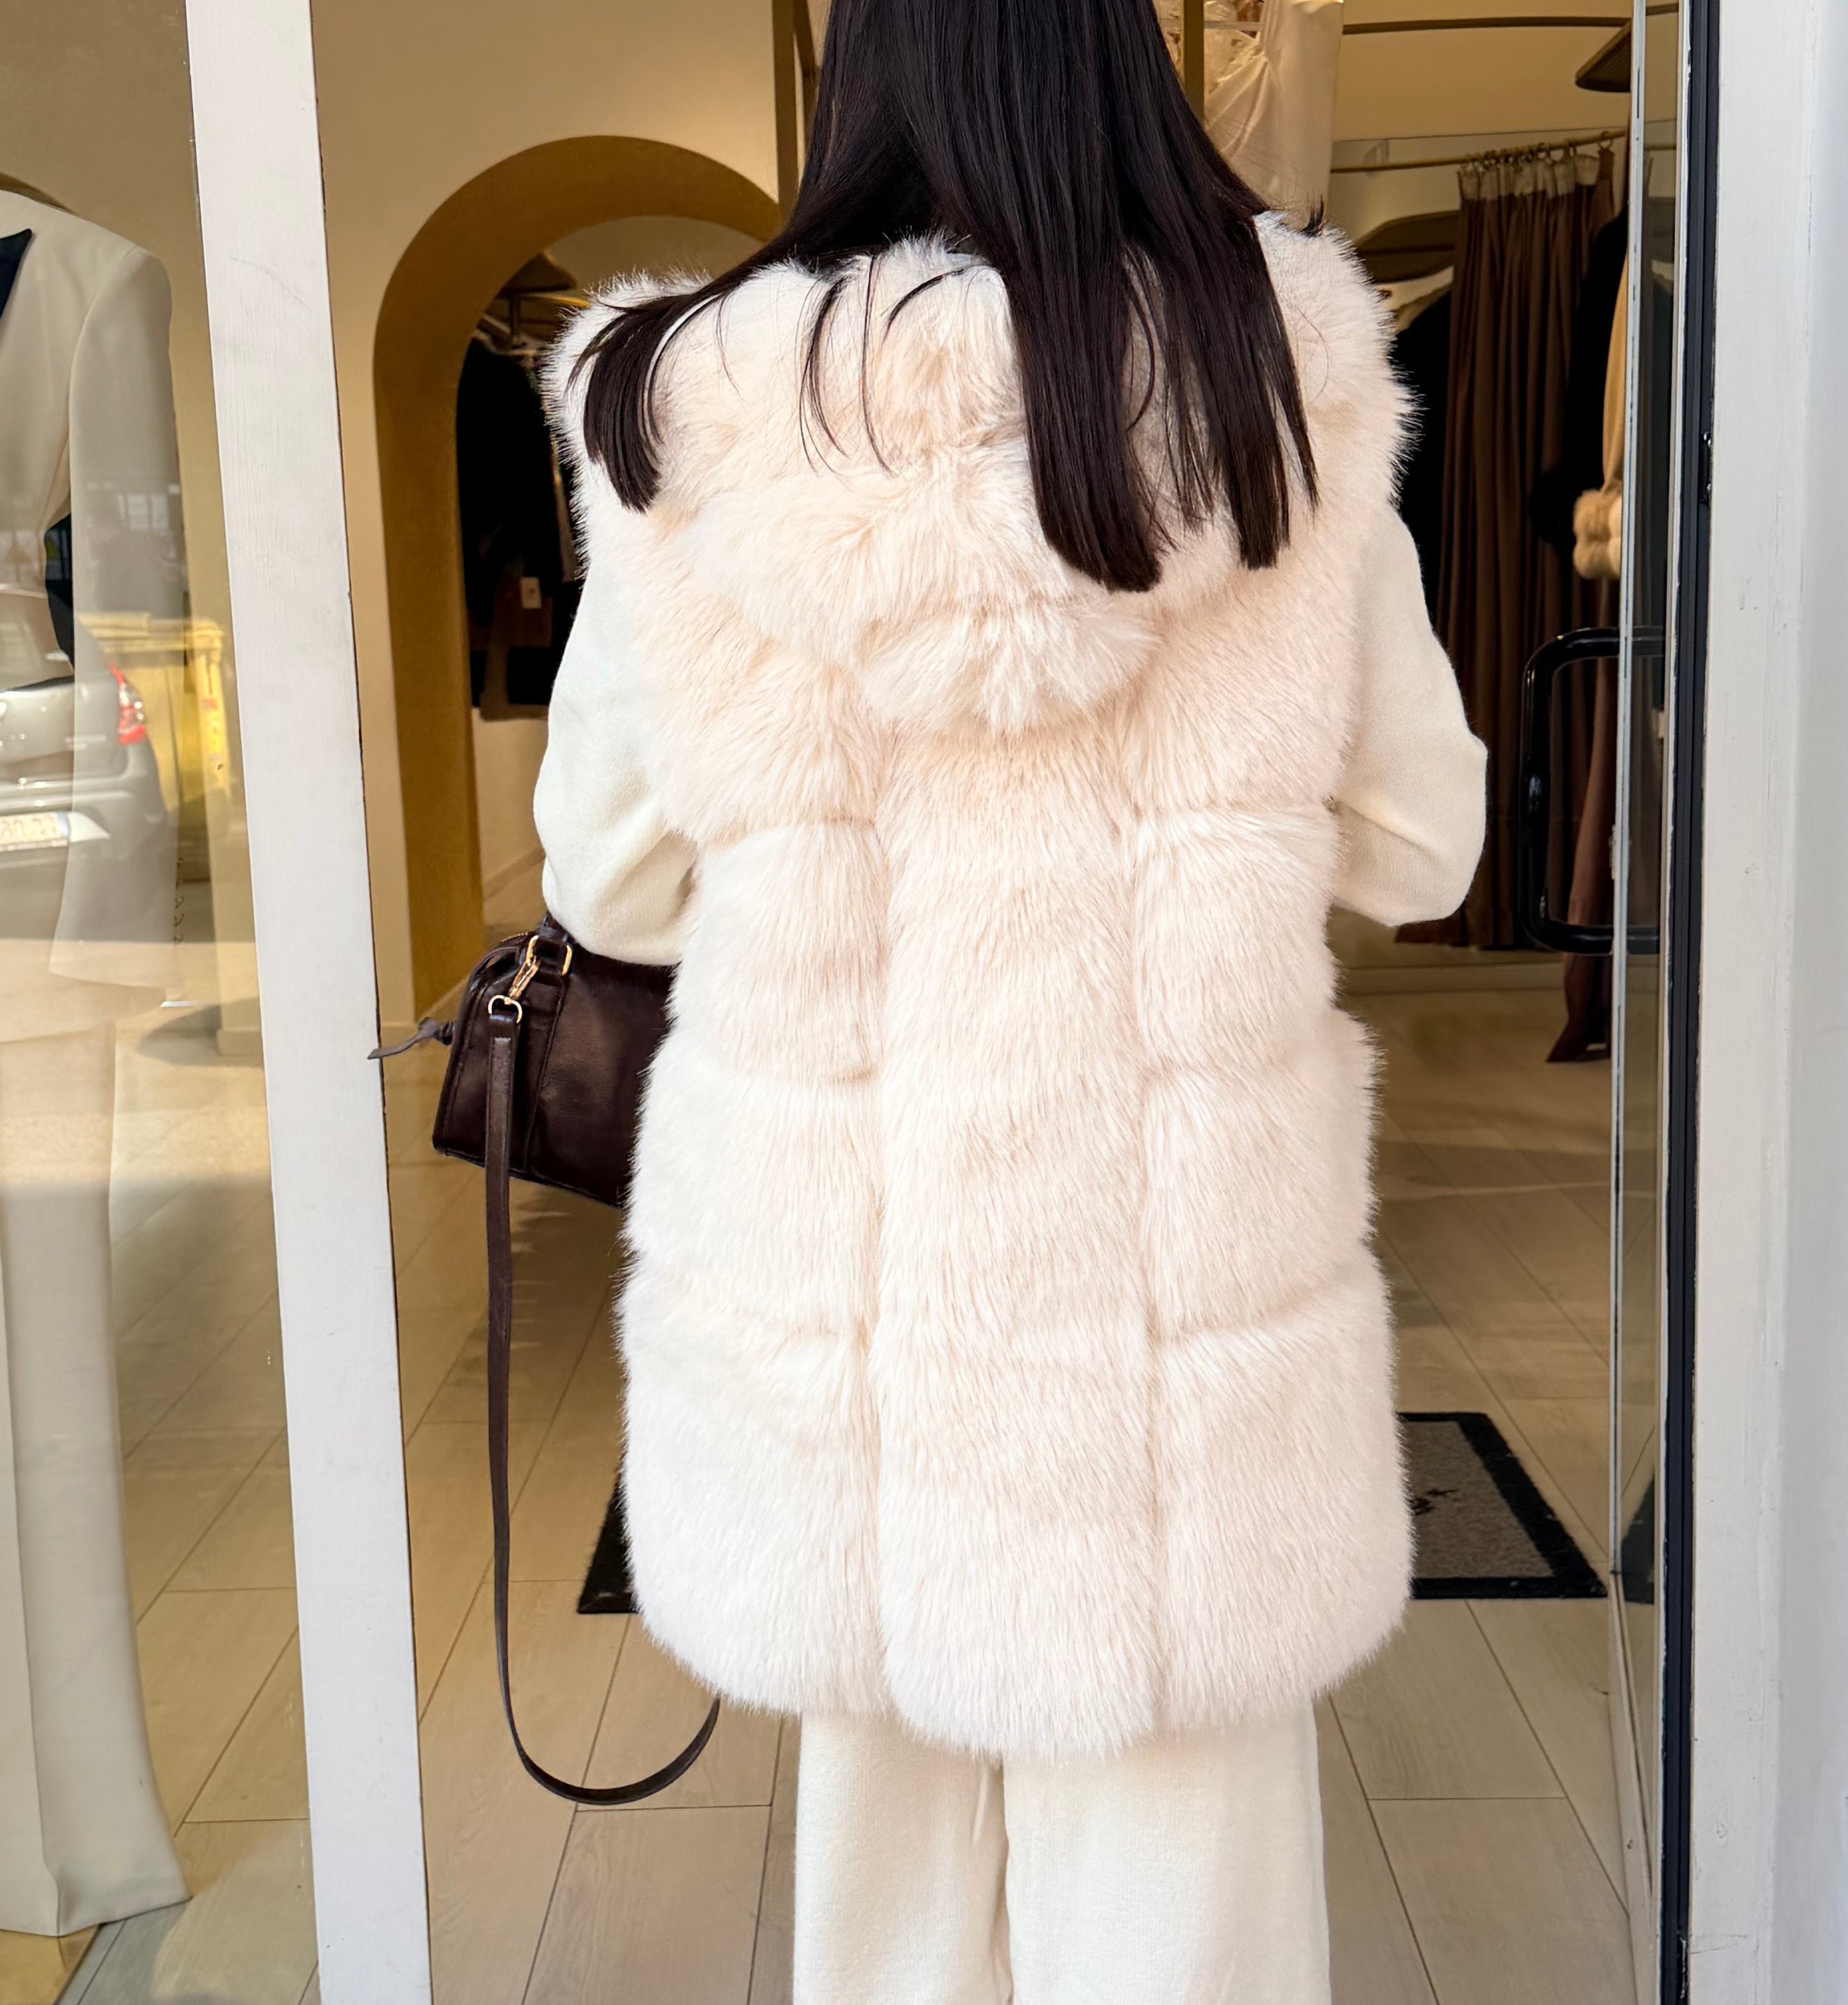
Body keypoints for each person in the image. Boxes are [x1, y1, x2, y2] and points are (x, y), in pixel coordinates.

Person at [530, 0, 1483, 1994]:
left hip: (848, 1328)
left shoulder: (689, 423)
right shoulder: (1272, 386)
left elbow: (610, 882)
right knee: (1188, 1923)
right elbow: (1425, 850)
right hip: (1172, 1337)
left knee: (889, 1933)